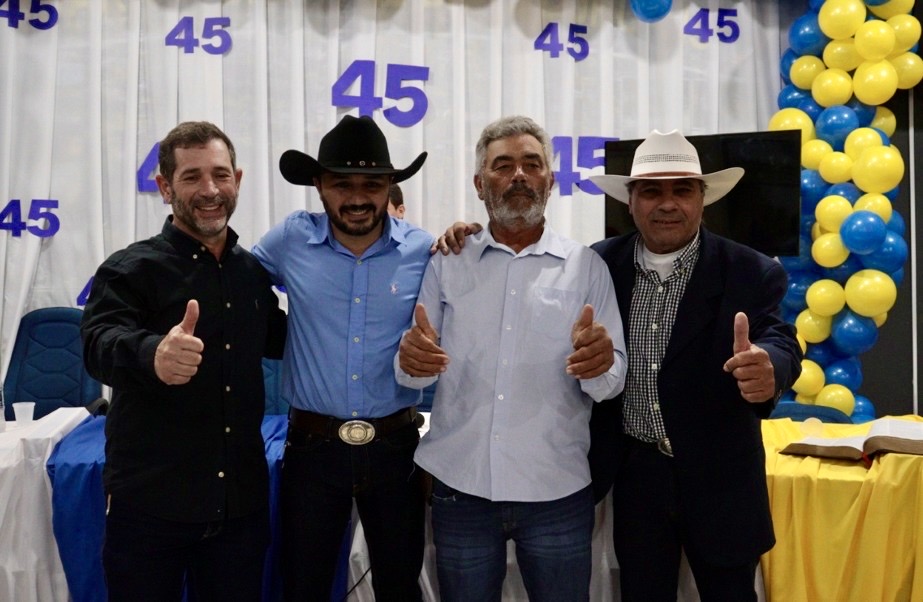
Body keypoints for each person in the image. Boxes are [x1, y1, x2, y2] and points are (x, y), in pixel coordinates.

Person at [396, 115, 628, 601]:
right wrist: (409, 360)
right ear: (480, 185)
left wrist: (601, 364)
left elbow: (610, 384)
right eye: (503, 166)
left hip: (556, 491)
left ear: (552, 180)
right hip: (461, 489)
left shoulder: (587, 267)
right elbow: (412, 373)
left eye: (532, 164)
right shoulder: (447, 261)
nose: (519, 175)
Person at [586, 129, 803, 601]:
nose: (667, 204)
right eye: (652, 190)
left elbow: (778, 337)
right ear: (630, 201)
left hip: (721, 482)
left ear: (702, 200)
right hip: (636, 480)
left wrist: (771, 368)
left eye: (682, 189)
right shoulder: (599, 265)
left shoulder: (750, 270)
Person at [80, 121, 287, 601]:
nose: (210, 190)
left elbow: (288, 340)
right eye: (192, 177)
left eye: (220, 174)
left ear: (238, 178)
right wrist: (153, 354)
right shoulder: (130, 268)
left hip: (240, 507)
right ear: (164, 186)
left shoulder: (252, 273)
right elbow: (97, 342)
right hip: (150, 509)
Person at [252, 114, 432, 601]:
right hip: (312, 450)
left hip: (396, 449)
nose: (357, 197)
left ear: (390, 186)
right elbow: (233, 281)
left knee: (400, 585)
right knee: (304, 585)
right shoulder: (291, 238)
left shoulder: (423, 249)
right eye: (341, 183)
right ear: (318, 186)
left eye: (372, 183)